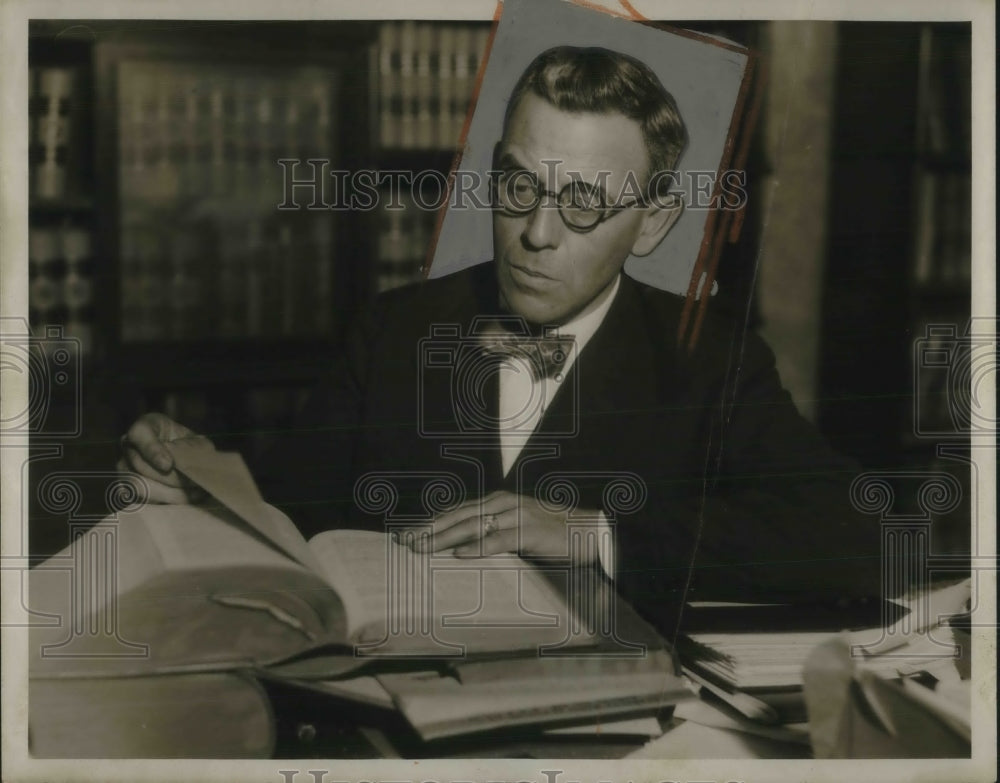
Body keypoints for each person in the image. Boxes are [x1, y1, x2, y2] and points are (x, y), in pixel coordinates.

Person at [120, 46, 882, 637]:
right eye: (519, 186)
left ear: (652, 222)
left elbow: (855, 530)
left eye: (582, 202)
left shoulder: (709, 358)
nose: (536, 234)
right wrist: (193, 487)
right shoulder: (395, 329)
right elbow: (288, 509)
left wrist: (600, 532)